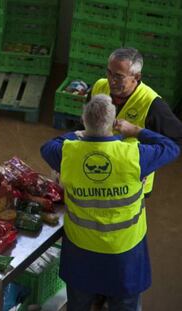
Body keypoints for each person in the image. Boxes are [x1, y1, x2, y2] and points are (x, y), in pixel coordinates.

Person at [41, 94, 180, 311]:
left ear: (84, 120)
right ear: (113, 122)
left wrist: (78, 134)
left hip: (81, 250)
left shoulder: (67, 151)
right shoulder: (134, 155)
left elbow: (48, 146)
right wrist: (136, 131)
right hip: (125, 252)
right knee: (124, 304)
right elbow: (171, 147)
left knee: (78, 304)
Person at [90, 47, 182, 195]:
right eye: (109, 72)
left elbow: (176, 140)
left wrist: (148, 163)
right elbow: (85, 122)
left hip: (132, 181)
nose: (111, 81)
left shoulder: (153, 105)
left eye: (119, 76)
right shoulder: (99, 87)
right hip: (98, 170)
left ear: (137, 77)